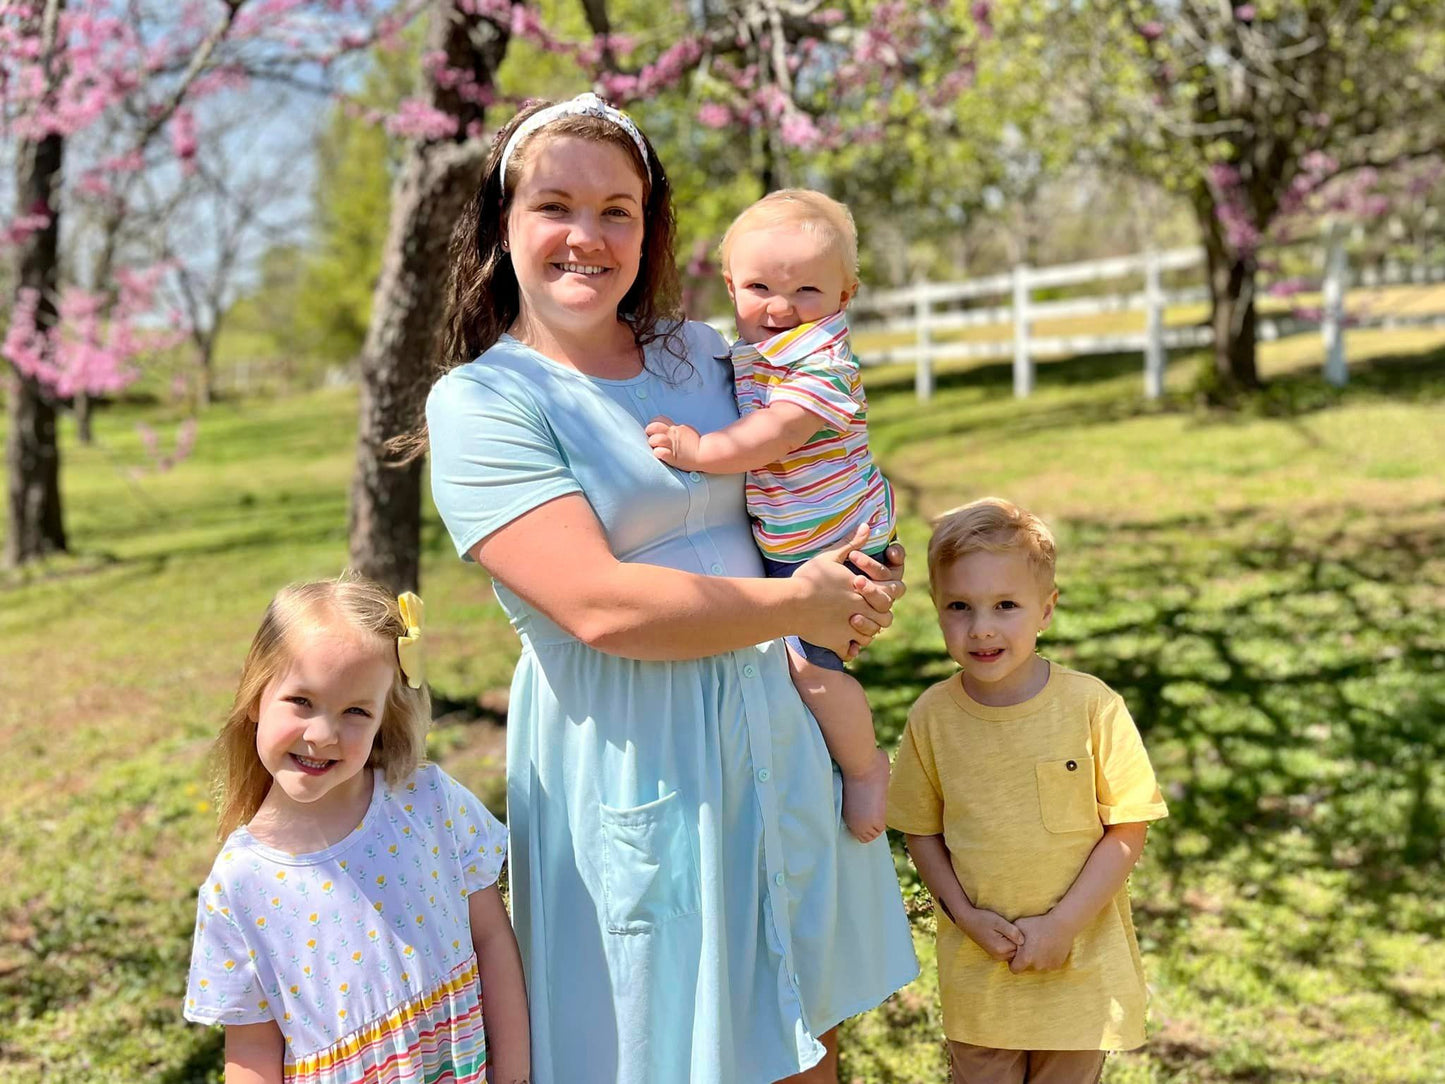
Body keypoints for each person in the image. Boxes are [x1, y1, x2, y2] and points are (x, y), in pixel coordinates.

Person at [422, 94, 918, 1084]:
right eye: (555, 205)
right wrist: (799, 606)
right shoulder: (484, 401)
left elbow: (812, 459)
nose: (588, 236)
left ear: (649, 230)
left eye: (619, 210)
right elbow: (600, 606)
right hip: (631, 754)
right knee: (659, 1047)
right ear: (503, 222)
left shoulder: (703, 355)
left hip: (772, 729)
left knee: (799, 1029)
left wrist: (859, 559)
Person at [183, 577, 530, 1084]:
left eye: (355, 711)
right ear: (257, 696)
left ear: (383, 717)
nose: (322, 734)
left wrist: (515, 1075)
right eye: (301, 700)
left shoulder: (428, 802)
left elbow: (493, 940)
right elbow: (252, 1049)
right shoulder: (238, 884)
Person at [887, 498, 1169, 1084]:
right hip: (980, 974)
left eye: (1005, 606)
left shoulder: (1092, 706)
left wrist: (1062, 925)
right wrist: (962, 914)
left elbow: (1127, 829)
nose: (982, 627)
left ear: (1046, 611)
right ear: (937, 611)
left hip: (1078, 969)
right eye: (959, 607)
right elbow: (920, 830)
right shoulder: (933, 716)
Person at [642, 189, 893, 843]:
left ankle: (866, 769)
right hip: (801, 537)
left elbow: (776, 435)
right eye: (758, 287)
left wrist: (699, 451)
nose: (780, 308)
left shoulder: (823, 365)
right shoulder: (753, 350)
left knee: (813, 668)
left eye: (806, 290)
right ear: (729, 284)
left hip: (835, 544)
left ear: (843, 296)